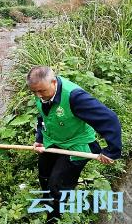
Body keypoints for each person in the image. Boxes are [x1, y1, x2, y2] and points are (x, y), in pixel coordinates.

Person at [27, 66, 122, 223]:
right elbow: (43, 117)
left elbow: (110, 119)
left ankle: (54, 217)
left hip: (77, 144)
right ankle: (47, 202)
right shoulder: (42, 92)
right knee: (44, 173)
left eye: (41, 91)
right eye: (34, 92)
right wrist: (40, 138)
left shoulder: (75, 97)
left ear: (53, 82)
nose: (38, 96)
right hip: (54, 139)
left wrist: (112, 151)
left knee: (57, 184)